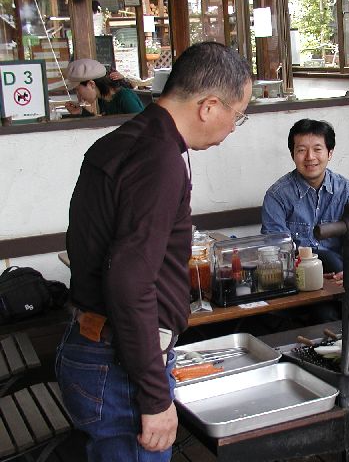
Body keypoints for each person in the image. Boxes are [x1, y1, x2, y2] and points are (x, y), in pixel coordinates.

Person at [56, 42, 252, 461]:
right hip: (118, 362)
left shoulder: (122, 140)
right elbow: (128, 282)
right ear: (209, 106)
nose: (235, 127)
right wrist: (154, 396)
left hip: (94, 344)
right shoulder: (159, 159)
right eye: (238, 115)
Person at [261, 118, 349, 281]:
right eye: (302, 150)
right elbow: (276, 251)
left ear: (330, 153)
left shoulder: (348, 192)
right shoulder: (277, 196)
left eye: (317, 149)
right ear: (292, 154)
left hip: (340, 279)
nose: (310, 157)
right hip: (297, 279)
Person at [64, 59, 145, 116]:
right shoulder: (103, 99)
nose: (78, 95)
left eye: (77, 89)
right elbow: (104, 124)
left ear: (91, 84)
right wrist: (80, 112)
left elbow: (142, 127)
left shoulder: (125, 97)